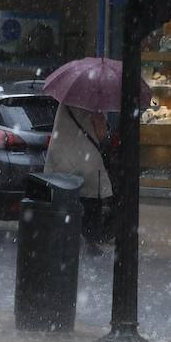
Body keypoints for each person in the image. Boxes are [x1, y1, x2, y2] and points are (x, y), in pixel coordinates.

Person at [45, 102, 113, 254]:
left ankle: (66, 237)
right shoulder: (94, 105)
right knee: (91, 200)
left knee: (67, 199)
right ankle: (90, 239)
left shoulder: (65, 103)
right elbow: (101, 134)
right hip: (86, 160)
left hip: (62, 159)